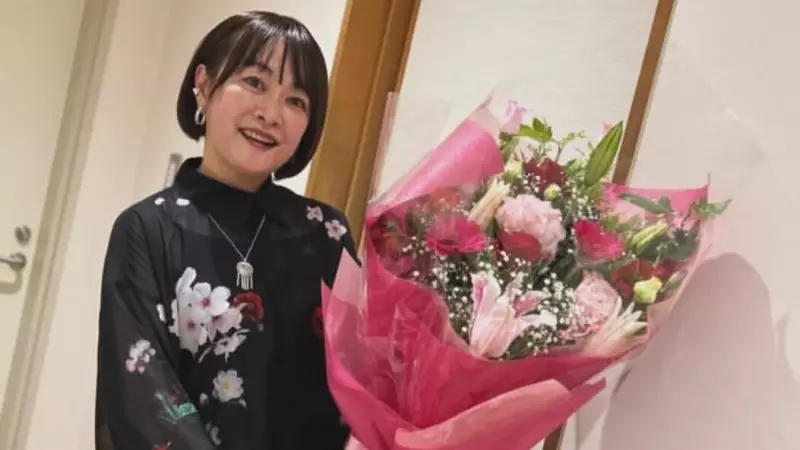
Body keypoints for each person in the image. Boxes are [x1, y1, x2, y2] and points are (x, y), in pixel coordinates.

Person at [94, 11, 356, 450]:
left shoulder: (326, 234)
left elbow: (364, 379)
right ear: (203, 83)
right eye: (255, 82)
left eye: (296, 101)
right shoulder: (148, 230)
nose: (270, 113)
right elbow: (141, 394)